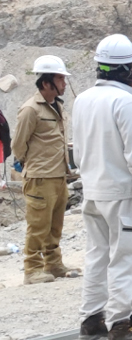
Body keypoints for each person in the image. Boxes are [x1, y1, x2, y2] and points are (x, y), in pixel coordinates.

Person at [72, 34, 132, 340]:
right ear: (128, 69)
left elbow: (77, 154)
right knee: (127, 257)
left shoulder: (82, 100)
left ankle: (91, 319)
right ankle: (120, 324)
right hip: (122, 194)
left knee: (97, 255)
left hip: (92, 192)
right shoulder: (125, 102)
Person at [12, 55, 78, 284]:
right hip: (40, 177)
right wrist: (28, 163)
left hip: (59, 174)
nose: (64, 83)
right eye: (60, 78)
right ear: (46, 82)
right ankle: (32, 269)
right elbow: (18, 144)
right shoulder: (31, 109)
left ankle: (54, 263)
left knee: (55, 223)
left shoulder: (57, 106)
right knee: (38, 225)